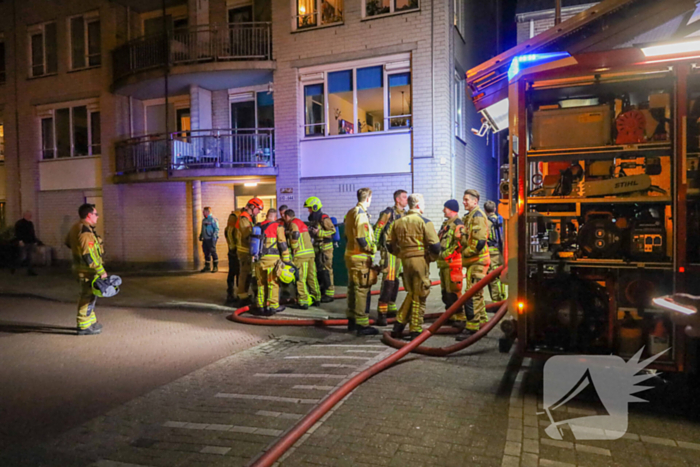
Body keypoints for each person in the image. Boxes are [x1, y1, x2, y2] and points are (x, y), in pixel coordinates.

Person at [388, 194, 441, 340]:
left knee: (412, 293)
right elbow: (435, 246)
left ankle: (399, 324)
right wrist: (431, 258)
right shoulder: (425, 222)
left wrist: (401, 254)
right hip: (420, 261)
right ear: (417, 205)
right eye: (423, 204)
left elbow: (389, 244)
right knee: (420, 294)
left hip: (405, 262)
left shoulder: (397, 223)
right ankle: (415, 330)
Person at [64, 203, 105, 336]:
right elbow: (89, 255)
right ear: (89, 215)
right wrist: (101, 271)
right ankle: (83, 325)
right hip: (87, 271)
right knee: (87, 297)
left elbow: (68, 242)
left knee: (91, 296)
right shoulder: (85, 231)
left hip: (80, 268)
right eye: (96, 214)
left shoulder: (76, 227)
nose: (97, 217)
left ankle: (91, 322)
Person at [457, 189, 491, 340]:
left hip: (477, 261)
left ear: (475, 201)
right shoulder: (470, 216)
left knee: (472, 294)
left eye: (466, 200)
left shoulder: (477, 216)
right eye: (464, 199)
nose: (463, 202)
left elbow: (479, 242)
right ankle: (482, 322)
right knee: (477, 293)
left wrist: (465, 253)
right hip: (474, 262)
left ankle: (472, 327)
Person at [344, 188, 379, 335]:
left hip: (351, 255)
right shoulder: (361, 214)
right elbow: (361, 238)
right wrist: (372, 249)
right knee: (362, 290)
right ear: (368, 198)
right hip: (360, 257)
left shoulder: (351, 212)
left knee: (353, 288)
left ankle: (352, 321)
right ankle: (362, 324)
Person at [373, 189, 408, 326]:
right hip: (389, 252)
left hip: (400, 252)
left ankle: (391, 307)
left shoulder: (406, 214)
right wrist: (375, 247)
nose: (406, 200)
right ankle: (382, 312)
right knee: (388, 281)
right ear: (397, 199)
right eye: (404, 197)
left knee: (396, 280)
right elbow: (378, 229)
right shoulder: (388, 213)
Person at [437, 200, 467, 331]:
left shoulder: (458, 224)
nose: (443, 210)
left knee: (454, 292)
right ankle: (450, 315)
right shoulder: (446, 225)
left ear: (451, 209)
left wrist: (447, 254)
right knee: (446, 292)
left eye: (445, 208)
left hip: (453, 264)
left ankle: (459, 318)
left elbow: (459, 243)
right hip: (444, 264)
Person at [255, 209, 291, 315]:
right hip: (272, 260)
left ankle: (260, 305)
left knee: (261, 283)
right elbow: (282, 244)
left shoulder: (258, 226)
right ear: (275, 217)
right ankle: (272, 306)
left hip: (259, 260)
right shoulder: (278, 227)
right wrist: (286, 260)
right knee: (273, 283)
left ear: (266, 216)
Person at [283, 209, 321, 309]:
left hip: (301, 256)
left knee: (300, 279)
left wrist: (294, 247)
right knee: (312, 277)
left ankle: (303, 301)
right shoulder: (301, 223)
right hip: (310, 253)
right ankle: (316, 297)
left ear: (287, 216)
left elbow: (295, 234)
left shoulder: (293, 223)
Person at [305, 197, 336, 303]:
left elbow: (333, 232)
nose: (309, 210)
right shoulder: (315, 219)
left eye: (310, 208)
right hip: (317, 248)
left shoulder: (324, 218)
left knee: (326, 271)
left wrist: (319, 233)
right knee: (319, 271)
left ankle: (330, 294)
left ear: (315, 207)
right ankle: (323, 290)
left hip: (326, 249)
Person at [235, 198, 264, 306]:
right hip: (244, 250)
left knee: (248, 274)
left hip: (248, 251)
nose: (259, 212)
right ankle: (242, 297)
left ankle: (244, 295)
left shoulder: (249, 218)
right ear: (252, 207)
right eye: (258, 209)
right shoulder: (244, 218)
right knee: (244, 274)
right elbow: (247, 234)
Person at [484, 200, 505, 303]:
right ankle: (503, 297)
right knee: (501, 274)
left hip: (491, 252)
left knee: (493, 277)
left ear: (485, 210)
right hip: (500, 251)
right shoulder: (501, 221)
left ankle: (496, 300)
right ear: (495, 209)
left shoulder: (485, 222)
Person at [12, 211, 41, 276]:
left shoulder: (30, 223)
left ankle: (30, 271)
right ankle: (14, 266)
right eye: (29, 215)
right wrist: (20, 240)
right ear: (25, 215)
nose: (30, 217)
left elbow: (32, 233)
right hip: (24, 242)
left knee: (29, 257)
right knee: (23, 256)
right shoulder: (20, 223)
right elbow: (17, 233)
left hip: (30, 242)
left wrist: (34, 241)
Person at [224, 210, 240, 304]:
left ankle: (230, 293)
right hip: (235, 254)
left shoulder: (228, 229)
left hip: (231, 253)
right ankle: (237, 294)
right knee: (237, 274)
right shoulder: (233, 229)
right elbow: (235, 241)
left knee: (231, 274)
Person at [199, 207, 220, 273]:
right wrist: (201, 235)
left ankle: (215, 266)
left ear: (208, 212)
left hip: (211, 238)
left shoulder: (213, 219)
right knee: (206, 252)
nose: (203, 213)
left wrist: (214, 238)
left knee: (213, 252)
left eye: (204, 211)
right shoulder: (204, 220)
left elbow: (216, 229)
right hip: (205, 239)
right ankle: (207, 266)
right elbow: (203, 229)